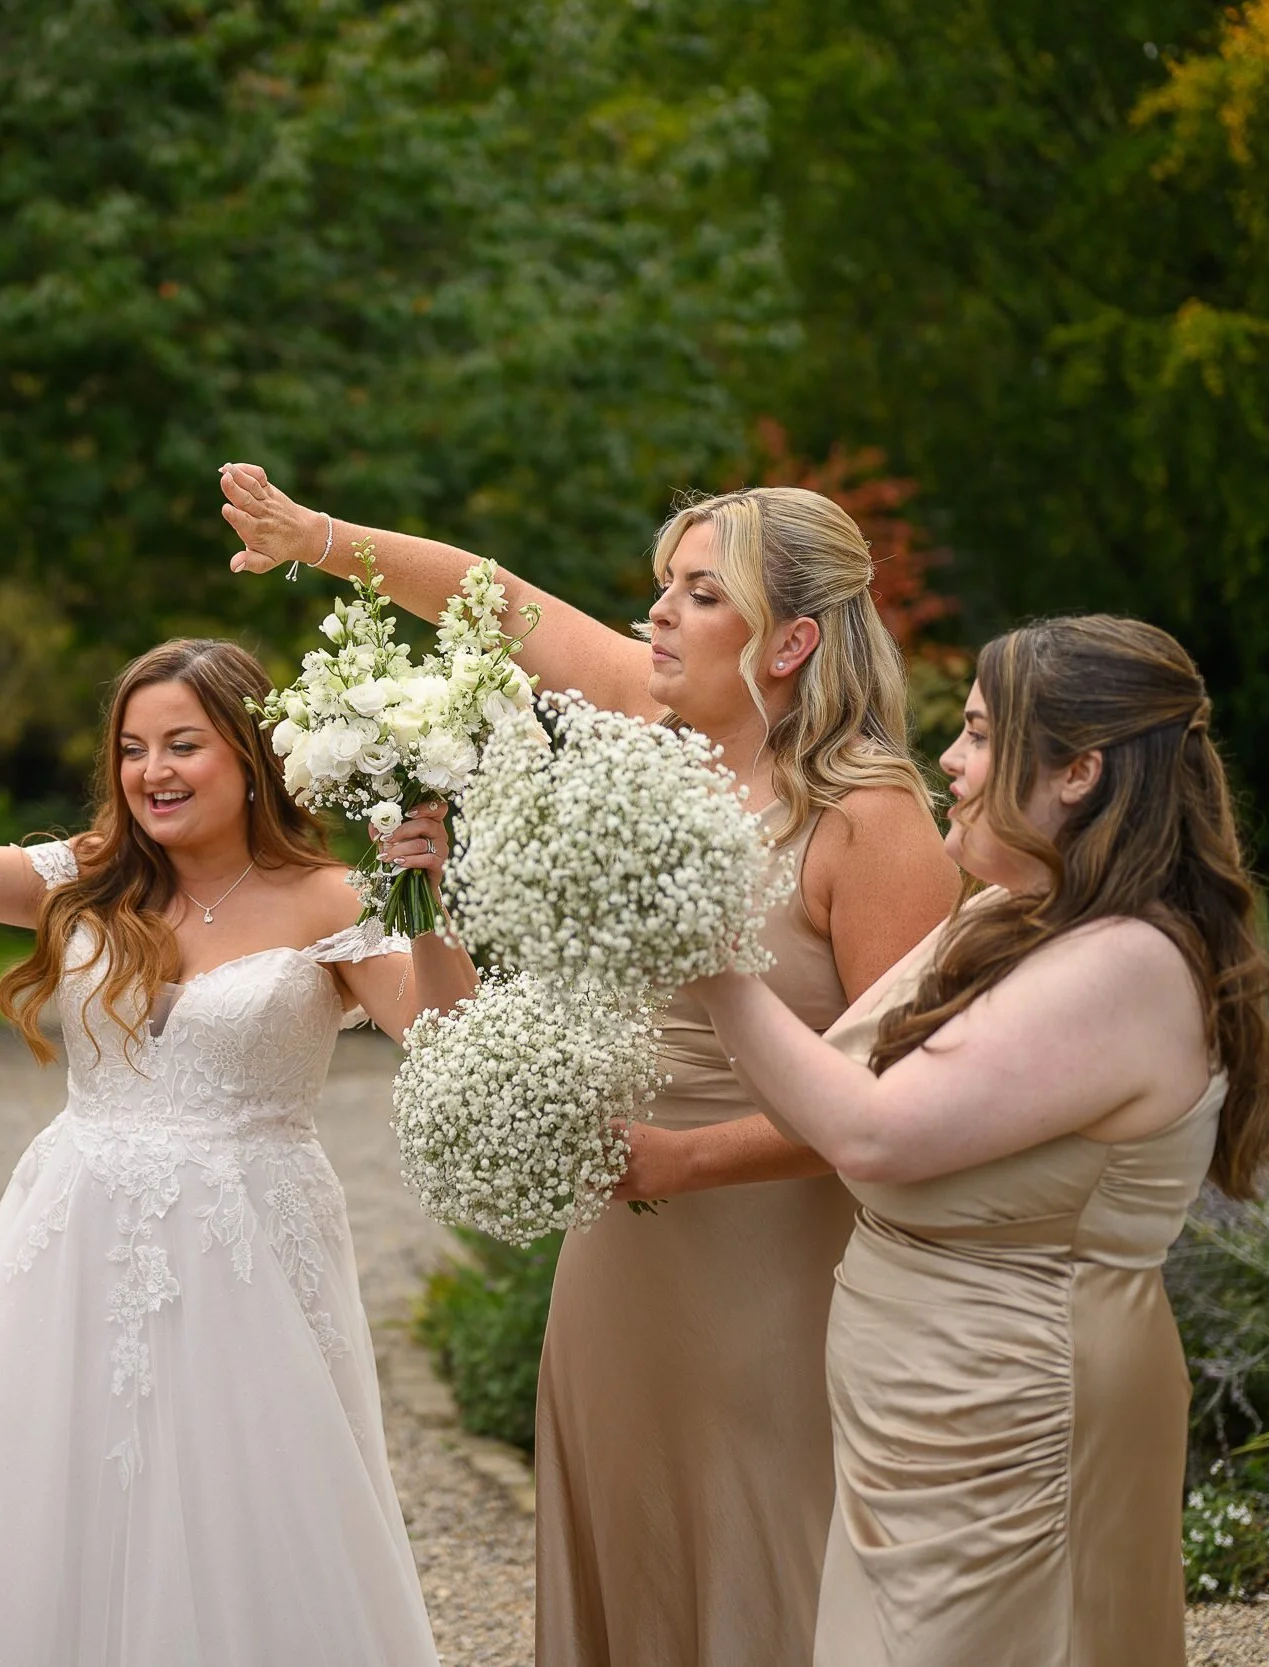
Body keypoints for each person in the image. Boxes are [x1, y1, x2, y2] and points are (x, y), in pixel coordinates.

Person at [220, 467, 959, 1665]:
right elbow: (492, 595)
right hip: (615, 1247)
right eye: (665, 583)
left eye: (701, 593)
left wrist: (680, 1159)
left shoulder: (869, 818)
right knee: (630, 1541)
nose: (658, 611)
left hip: (780, 1267)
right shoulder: (653, 736)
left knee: (771, 1560)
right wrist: (316, 537)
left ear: (790, 642)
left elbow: (906, 1103)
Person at [0, 626, 476, 1666]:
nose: (152, 771)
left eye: (182, 744)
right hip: (77, 1229)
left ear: (250, 752)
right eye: (133, 749)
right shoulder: (90, 874)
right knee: (46, 1474)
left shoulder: (332, 897)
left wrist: (427, 900)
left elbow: (444, 1034)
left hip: (252, 1248)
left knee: (246, 1493)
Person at [690, 616, 1269, 1665]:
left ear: (1077, 771)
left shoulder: (1128, 962)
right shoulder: (1007, 916)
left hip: (1018, 1415)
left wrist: (707, 956)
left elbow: (868, 1132)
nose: (949, 762)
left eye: (976, 733)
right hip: (921, 1416)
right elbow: (822, 1085)